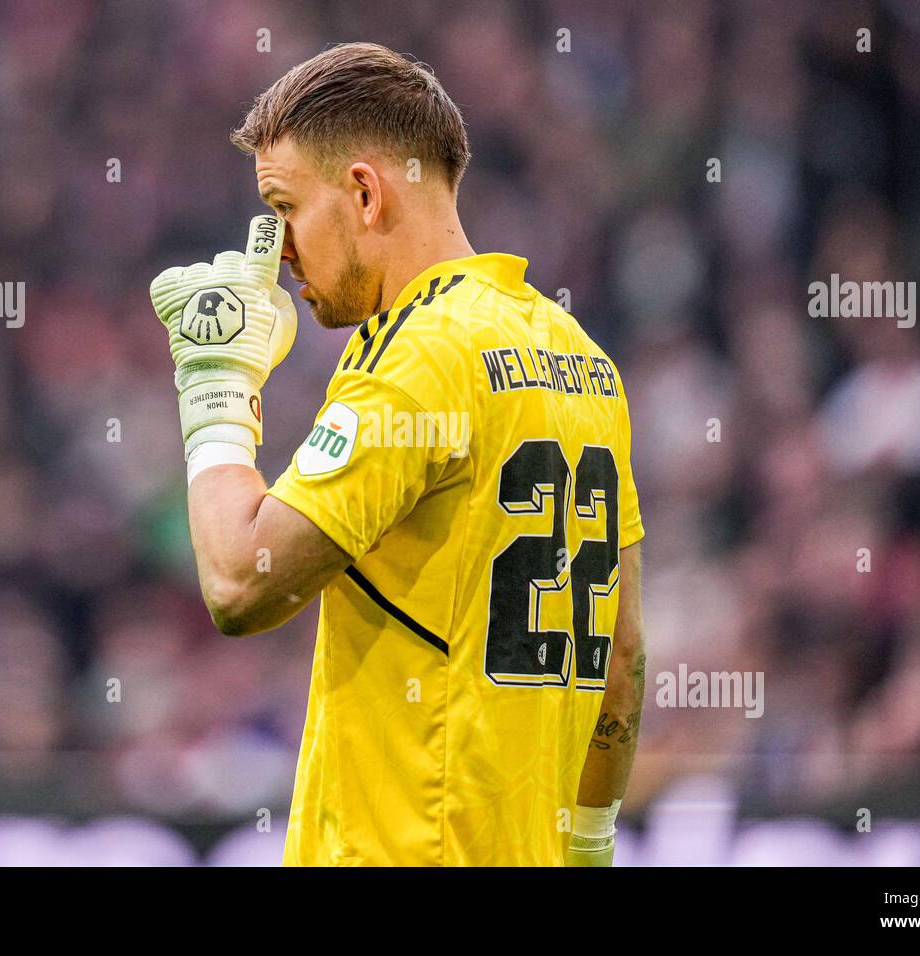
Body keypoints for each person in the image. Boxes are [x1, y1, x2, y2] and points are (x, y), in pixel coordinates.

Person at [149, 42, 647, 866]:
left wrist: (216, 387)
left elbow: (240, 581)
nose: (277, 253)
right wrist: (588, 846)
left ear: (365, 192)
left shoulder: (420, 354)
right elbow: (622, 656)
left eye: (284, 210)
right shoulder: (581, 356)